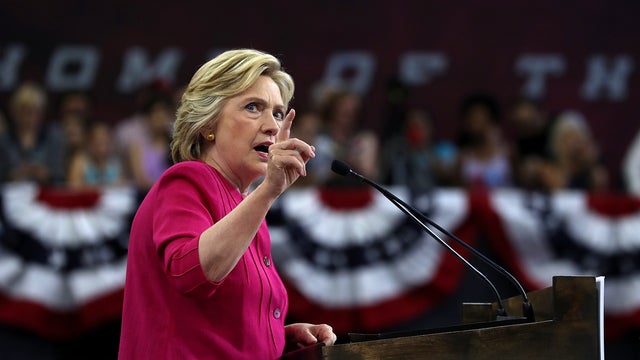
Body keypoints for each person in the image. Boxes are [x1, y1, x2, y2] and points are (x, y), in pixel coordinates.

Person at [118, 49, 336, 359]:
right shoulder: (186, 180)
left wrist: (280, 337)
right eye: (253, 107)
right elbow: (191, 275)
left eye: (276, 112)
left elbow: (211, 323)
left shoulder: (245, 206)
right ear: (208, 124)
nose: (273, 126)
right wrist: (267, 193)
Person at [0, 82, 65, 184]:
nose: (28, 117)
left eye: (33, 111)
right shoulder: (4, 140)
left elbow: (60, 175)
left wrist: (46, 173)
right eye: (24, 111)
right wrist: (13, 175)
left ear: (40, 112)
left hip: (45, 193)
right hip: (12, 194)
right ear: (14, 112)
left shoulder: (53, 137)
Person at [454, 93, 512, 189]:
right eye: (472, 118)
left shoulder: (507, 154)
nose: (476, 123)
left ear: (491, 120)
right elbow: (455, 192)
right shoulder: (463, 157)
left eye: (480, 117)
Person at [67, 122, 124, 188]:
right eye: (98, 141)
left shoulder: (116, 163)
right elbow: (73, 189)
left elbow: (122, 187)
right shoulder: (79, 162)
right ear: (90, 143)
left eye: (105, 141)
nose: (101, 147)